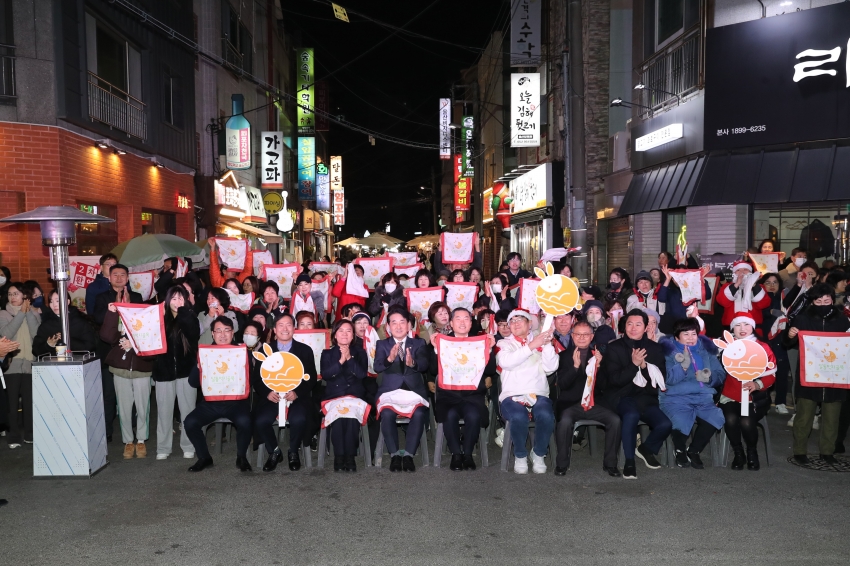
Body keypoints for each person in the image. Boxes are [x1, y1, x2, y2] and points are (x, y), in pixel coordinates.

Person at [597, 309, 671, 479]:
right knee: (631, 414)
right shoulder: (614, 347)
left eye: (638, 324)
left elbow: (660, 380)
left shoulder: (654, 348)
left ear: (646, 327)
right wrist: (633, 365)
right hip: (620, 395)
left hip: (645, 397)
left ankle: (646, 449)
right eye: (630, 323)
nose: (633, 328)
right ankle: (629, 461)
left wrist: (644, 367)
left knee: (664, 424)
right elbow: (614, 381)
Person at [784, 284, 850, 465]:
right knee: (804, 416)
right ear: (812, 301)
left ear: (832, 299)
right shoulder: (802, 318)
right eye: (818, 301)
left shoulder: (843, 320)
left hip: (835, 375)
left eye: (826, 300)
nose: (823, 304)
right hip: (809, 375)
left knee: (832, 417)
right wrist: (790, 334)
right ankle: (799, 451)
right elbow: (788, 343)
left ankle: (827, 452)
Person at [427, 308, 496, 471]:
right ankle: (456, 454)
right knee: (449, 415)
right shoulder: (443, 341)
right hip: (448, 395)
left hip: (472, 395)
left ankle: (468, 454)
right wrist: (436, 349)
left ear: (471, 323)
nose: (463, 322)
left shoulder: (478, 342)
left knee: (473, 415)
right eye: (458, 318)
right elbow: (432, 370)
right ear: (451, 323)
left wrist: (490, 350)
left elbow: (490, 371)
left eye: (466, 318)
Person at [183, 316, 253, 472]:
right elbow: (193, 383)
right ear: (213, 334)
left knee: (245, 421)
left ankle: (241, 457)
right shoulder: (205, 353)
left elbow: (251, 380)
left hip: (236, 402)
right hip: (210, 403)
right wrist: (199, 366)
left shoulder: (242, 352)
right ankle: (204, 457)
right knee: (190, 422)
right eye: (218, 331)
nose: (223, 334)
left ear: (233, 332)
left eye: (227, 330)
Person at [553, 320, 622, 477]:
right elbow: (562, 384)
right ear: (572, 336)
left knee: (615, 420)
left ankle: (610, 464)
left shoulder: (599, 355)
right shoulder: (563, 356)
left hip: (595, 403)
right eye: (578, 334)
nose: (582, 338)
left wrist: (599, 367)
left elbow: (605, 386)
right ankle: (562, 464)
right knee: (564, 421)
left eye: (586, 335)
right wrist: (575, 367)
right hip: (572, 404)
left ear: (592, 337)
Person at [497, 309, 559, 474]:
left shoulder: (541, 340)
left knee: (546, 415)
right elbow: (507, 362)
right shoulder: (504, 344)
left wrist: (546, 345)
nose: (515, 324)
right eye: (512, 321)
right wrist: (533, 345)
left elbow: (550, 368)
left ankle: (538, 453)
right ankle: (520, 455)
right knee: (518, 416)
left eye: (520, 320)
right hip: (512, 396)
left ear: (529, 323)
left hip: (538, 393)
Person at [659, 318, 726, 469]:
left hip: (703, 396)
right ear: (677, 337)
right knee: (680, 419)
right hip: (675, 397)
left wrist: (709, 378)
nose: (690, 338)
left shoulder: (706, 350)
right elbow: (667, 379)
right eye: (686, 334)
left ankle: (694, 450)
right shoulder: (668, 352)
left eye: (693, 334)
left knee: (716, 416)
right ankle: (679, 449)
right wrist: (682, 368)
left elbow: (720, 374)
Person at [254, 314, 317, 472]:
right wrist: (267, 392)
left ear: (294, 329)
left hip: (296, 397)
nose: (285, 328)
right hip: (272, 397)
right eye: (280, 325)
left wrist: (297, 392)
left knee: (299, 418)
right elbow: (256, 378)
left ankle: (293, 451)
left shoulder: (305, 350)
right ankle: (274, 451)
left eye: (288, 325)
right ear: (274, 330)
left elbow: (311, 377)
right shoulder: (265, 350)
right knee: (261, 420)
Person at [373, 307, 430, 472]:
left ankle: (409, 455)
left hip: (413, 391)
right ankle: (395, 455)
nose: (398, 326)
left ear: (409, 325)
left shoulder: (418, 343)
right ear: (388, 327)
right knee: (387, 414)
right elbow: (377, 367)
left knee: (419, 414)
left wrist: (412, 363)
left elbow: (425, 365)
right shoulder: (382, 344)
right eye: (393, 323)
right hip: (390, 391)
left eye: (402, 322)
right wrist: (389, 359)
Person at [92, 263, 143, 442]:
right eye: (115, 274)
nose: (119, 278)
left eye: (123, 275)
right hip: (109, 350)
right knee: (108, 394)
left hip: (132, 352)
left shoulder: (136, 296)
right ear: (109, 277)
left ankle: (135, 431)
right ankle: (107, 431)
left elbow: (143, 321)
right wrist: (112, 309)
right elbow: (96, 319)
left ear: (128, 278)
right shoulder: (101, 298)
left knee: (135, 394)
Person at [719, 312, 776, 470]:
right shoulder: (727, 346)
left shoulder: (762, 347)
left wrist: (757, 384)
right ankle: (738, 453)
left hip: (754, 398)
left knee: (746, 420)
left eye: (746, 324)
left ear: (753, 326)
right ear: (732, 329)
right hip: (730, 395)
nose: (742, 328)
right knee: (730, 419)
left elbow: (771, 375)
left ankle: (752, 452)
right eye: (737, 325)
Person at [153, 286, 201, 460]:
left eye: (181, 298)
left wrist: (184, 313)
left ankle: (188, 445)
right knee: (164, 412)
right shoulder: (158, 318)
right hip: (163, 372)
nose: (177, 302)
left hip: (186, 372)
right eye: (174, 298)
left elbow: (193, 334)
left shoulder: (190, 317)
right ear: (167, 300)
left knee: (188, 411)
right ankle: (163, 448)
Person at [101, 302, 154, 459]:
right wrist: (111, 313)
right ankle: (128, 442)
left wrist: (135, 344)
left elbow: (153, 347)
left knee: (143, 407)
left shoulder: (147, 322)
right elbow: (106, 336)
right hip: (121, 370)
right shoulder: (119, 320)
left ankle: (141, 440)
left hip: (142, 370)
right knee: (123, 408)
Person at [321, 319, 368, 472]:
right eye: (341, 330)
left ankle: (350, 456)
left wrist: (349, 359)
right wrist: (341, 361)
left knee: (352, 417)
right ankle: (339, 456)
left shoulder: (360, 353)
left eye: (348, 331)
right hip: (334, 396)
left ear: (353, 335)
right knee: (340, 417)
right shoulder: (327, 353)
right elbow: (326, 375)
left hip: (354, 396)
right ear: (335, 334)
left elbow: (362, 375)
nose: (344, 334)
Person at [0, 282, 41, 448]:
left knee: (30, 402)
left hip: (30, 363)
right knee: (11, 402)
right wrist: (20, 314)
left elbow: (36, 335)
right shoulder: (3, 313)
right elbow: (6, 334)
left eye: (15, 293)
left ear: (25, 296)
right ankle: (14, 437)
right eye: (10, 294)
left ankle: (30, 434)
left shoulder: (35, 313)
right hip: (12, 364)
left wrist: (28, 312)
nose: (12, 297)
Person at [758, 273, 791, 415]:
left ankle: (780, 402)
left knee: (782, 371)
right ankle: (762, 401)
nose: (772, 285)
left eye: (775, 282)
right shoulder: (758, 298)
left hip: (781, 338)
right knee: (763, 370)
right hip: (763, 338)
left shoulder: (785, 298)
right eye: (768, 282)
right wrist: (769, 311)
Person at [32, 289, 98, 357]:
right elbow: (36, 351)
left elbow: (90, 347)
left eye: (57, 301)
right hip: (53, 365)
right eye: (51, 302)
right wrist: (49, 345)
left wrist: (67, 339)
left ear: (68, 302)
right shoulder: (46, 325)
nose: (54, 305)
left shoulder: (80, 322)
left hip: (77, 365)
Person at [716, 261, 771, 332]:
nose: (742, 272)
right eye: (738, 270)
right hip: (731, 328)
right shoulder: (727, 287)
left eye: (745, 269)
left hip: (754, 327)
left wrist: (754, 285)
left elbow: (764, 304)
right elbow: (722, 301)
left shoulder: (759, 287)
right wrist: (736, 284)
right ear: (734, 273)